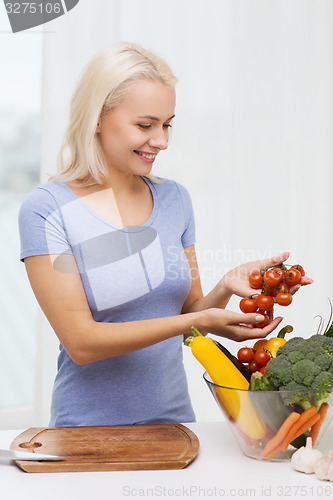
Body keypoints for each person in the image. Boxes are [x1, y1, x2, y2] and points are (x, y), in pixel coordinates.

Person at [18, 42, 312, 427]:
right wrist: (195, 322)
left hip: (175, 424)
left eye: (167, 124)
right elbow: (81, 343)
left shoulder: (174, 199)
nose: (162, 141)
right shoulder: (47, 209)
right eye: (145, 125)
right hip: (87, 432)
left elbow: (188, 312)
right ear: (97, 118)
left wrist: (225, 286)